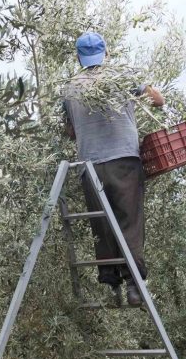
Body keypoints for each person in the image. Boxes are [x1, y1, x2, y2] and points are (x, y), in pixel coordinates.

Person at [62, 31, 165, 308]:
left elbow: (70, 131)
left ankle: (111, 285)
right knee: (129, 221)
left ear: (78, 57)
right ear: (105, 53)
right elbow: (159, 100)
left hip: (90, 166)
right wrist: (144, 90)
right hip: (123, 161)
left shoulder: (69, 88)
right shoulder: (121, 76)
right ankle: (134, 287)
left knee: (102, 225)